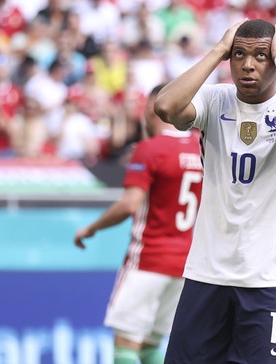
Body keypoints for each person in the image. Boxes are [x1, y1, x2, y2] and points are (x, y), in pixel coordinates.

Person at [154, 19, 276, 363]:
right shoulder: (213, 100)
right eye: (239, 55)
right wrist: (218, 50)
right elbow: (165, 107)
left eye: (261, 56)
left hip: (268, 278)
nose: (248, 65)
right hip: (207, 272)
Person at [73, 84, 203, 364]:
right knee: (150, 344)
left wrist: (91, 228)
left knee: (126, 344)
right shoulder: (202, 148)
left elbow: (130, 203)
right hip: (185, 264)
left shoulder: (150, 149)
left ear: (154, 109)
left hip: (149, 258)